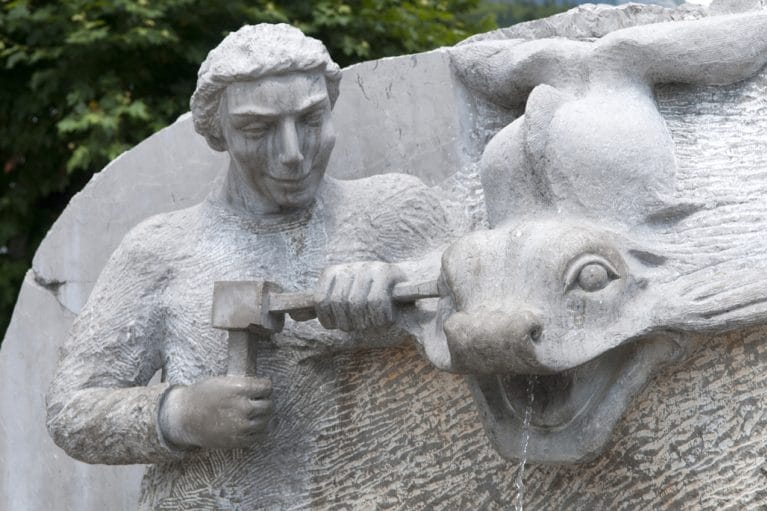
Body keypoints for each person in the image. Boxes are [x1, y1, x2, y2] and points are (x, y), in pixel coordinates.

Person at [46, 24, 465, 509]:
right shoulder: (160, 251)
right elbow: (72, 409)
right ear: (216, 132)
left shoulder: (395, 212)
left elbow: (487, 315)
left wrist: (403, 290)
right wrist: (181, 413)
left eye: (310, 119)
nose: (292, 154)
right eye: (257, 129)